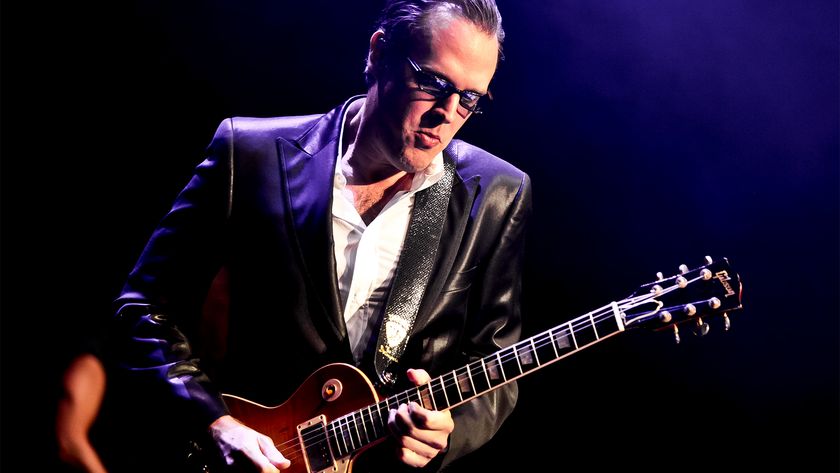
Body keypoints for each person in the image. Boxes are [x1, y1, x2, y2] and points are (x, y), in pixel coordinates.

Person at [108, 0, 532, 471]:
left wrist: (450, 431)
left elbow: (496, 364)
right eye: (433, 83)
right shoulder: (248, 155)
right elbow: (142, 310)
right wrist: (216, 424)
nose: (448, 114)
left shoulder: (496, 193)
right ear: (379, 54)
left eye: (471, 98)